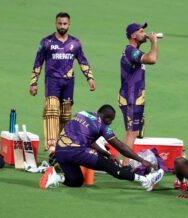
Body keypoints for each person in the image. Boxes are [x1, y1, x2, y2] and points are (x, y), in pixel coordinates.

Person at [39, 104, 164, 191]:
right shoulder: (102, 125)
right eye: (111, 120)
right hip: (77, 151)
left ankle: (55, 177)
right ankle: (146, 180)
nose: (110, 123)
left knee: (76, 180)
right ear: (107, 118)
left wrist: (106, 154)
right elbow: (120, 146)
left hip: (60, 151)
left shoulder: (82, 113)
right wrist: (141, 160)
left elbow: (88, 140)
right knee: (111, 167)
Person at [29, 12, 96, 154]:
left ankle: (63, 145)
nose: (62, 26)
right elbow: (38, 63)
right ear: (55, 23)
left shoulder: (75, 43)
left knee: (66, 115)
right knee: (51, 110)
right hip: (52, 81)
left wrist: (90, 78)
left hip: (68, 82)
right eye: (59, 23)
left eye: (65, 24)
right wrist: (33, 83)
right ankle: (51, 145)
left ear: (69, 24)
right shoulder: (46, 42)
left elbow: (83, 61)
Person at [118, 22, 158, 166]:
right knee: (132, 132)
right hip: (131, 97)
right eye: (141, 31)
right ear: (133, 36)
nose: (144, 34)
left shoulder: (134, 51)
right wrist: (154, 43)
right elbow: (152, 59)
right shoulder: (130, 51)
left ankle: (125, 164)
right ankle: (125, 165)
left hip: (135, 97)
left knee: (132, 132)